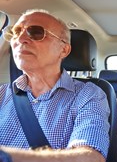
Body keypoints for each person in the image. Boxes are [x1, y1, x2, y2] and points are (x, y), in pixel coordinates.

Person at [0, 9, 110, 162]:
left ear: (63, 49)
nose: (21, 39)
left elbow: (91, 157)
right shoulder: (1, 93)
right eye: (16, 32)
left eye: (36, 32)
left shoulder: (89, 95)